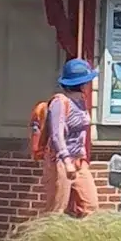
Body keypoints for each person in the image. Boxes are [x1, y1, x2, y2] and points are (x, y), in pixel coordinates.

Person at [41, 58, 100, 217]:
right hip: (60, 161)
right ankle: (46, 239)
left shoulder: (81, 101)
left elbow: (81, 133)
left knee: (90, 206)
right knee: (57, 209)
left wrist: (82, 157)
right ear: (81, 83)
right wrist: (66, 161)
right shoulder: (60, 102)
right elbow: (56, 134)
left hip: (78, 160)